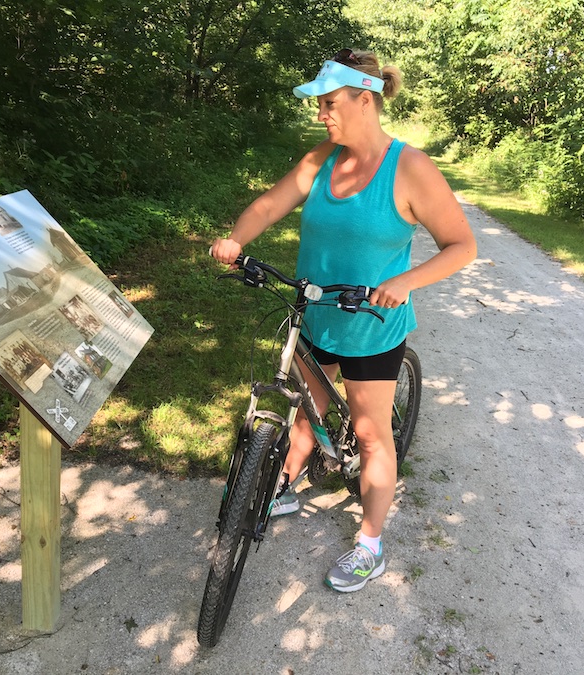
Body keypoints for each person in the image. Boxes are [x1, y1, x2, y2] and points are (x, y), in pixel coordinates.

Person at [210, 49, 477, 593]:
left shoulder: (410, 168)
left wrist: (404, 282)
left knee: (374, 436)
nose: (320, 114)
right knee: (308, 410)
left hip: (372, 326)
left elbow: (462, 246)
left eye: (329, 104)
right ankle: (286, 482)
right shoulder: (321, 160)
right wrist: (238, 238)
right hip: (314, 316)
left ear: (364, 99)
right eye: (318, 105)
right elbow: (268, 205)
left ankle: (370, 544)